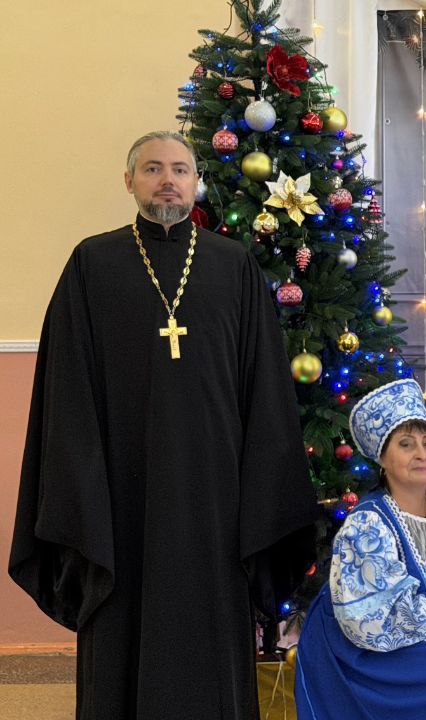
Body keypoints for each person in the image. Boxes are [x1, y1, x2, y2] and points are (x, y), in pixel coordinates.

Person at [9, 131, 317, 719]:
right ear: (129, 181)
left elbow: (265, 391)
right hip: (120, 495)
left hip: (216, 495)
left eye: (179, 169)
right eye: (152, 169)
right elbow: (67, 390)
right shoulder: (92, 264)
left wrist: (261, 494)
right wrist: (81, 489)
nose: (167, 180)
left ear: (196, 182)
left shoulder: (233, 265)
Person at [294, 379, 426, 720]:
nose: (422, 454)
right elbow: (371, 621)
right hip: (370, 652)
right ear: (382, 457)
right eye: (406, 445)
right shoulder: (368, 526)